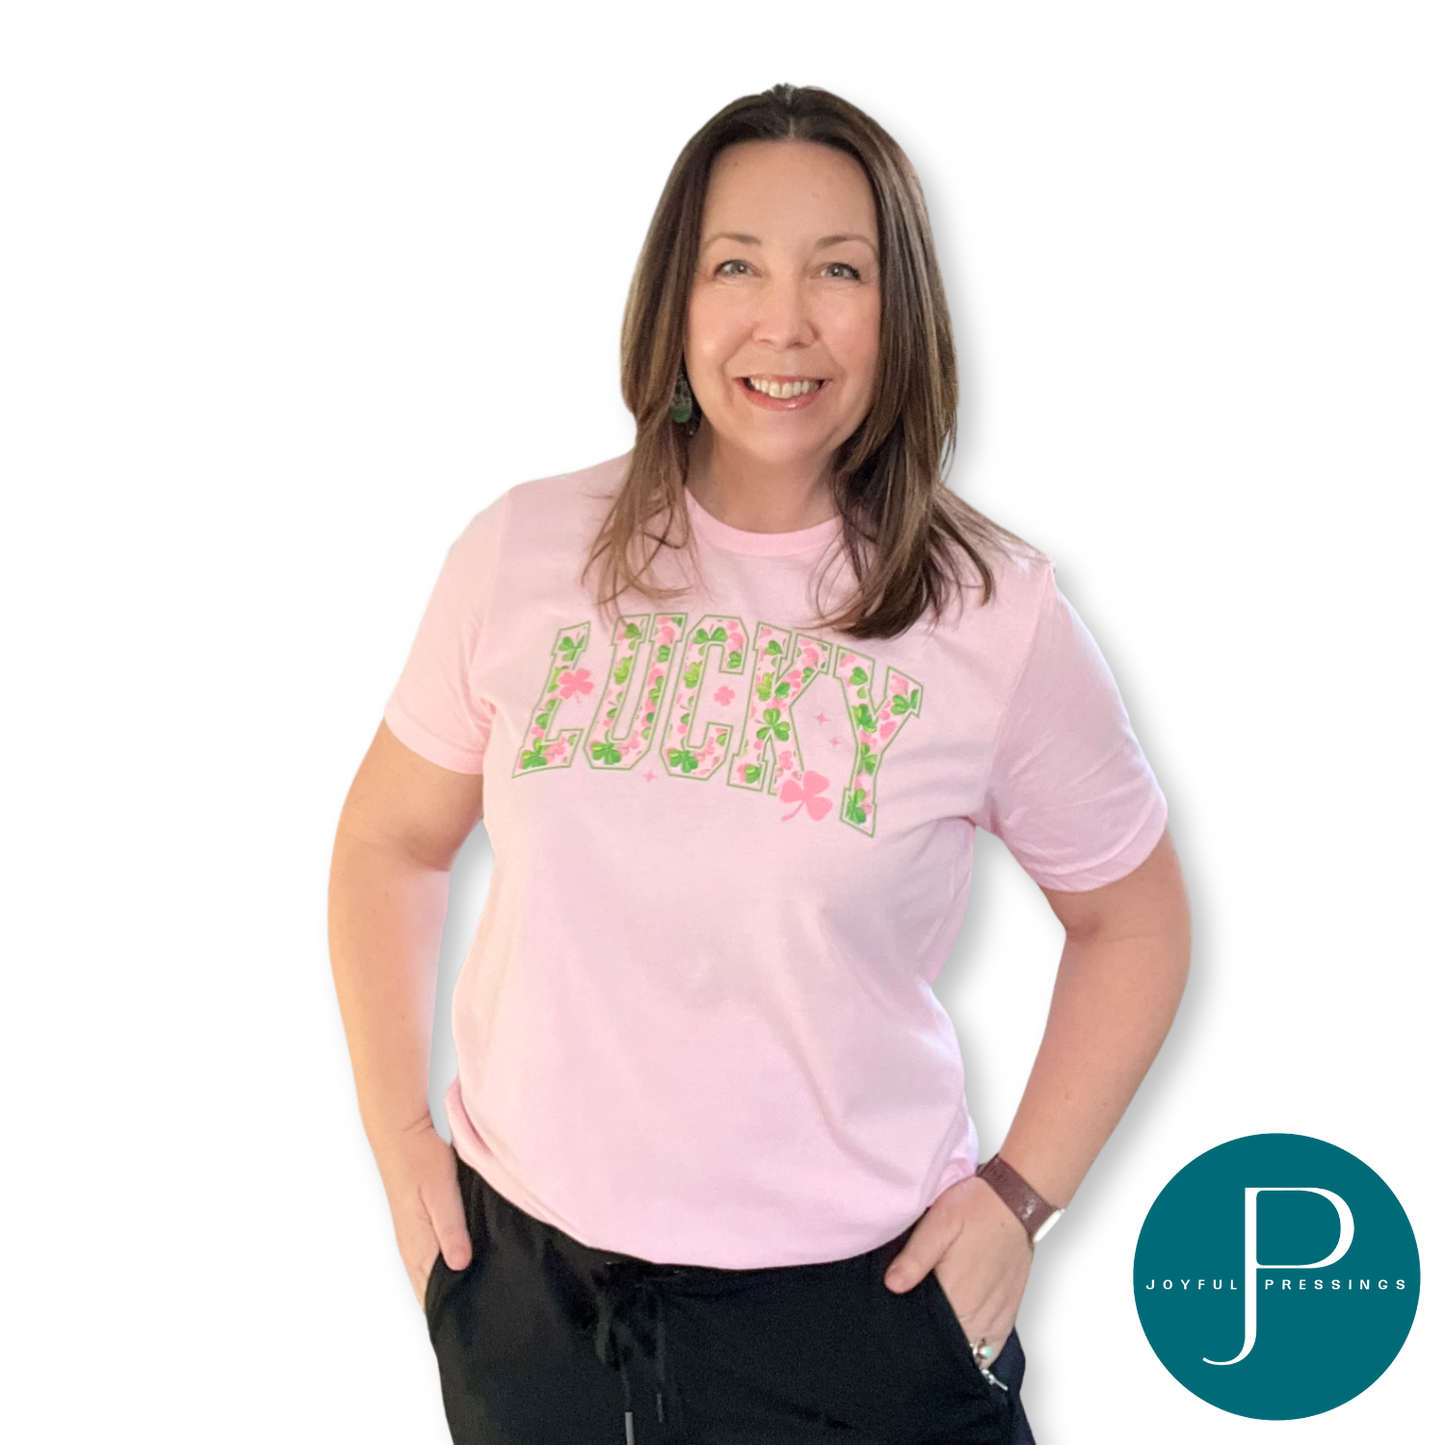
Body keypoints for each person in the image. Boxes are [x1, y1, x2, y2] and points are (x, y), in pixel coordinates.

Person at [328, 82, 1191, 1445]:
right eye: (736, 266)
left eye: (838, 272)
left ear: (896, 313)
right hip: (531, 1305)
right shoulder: (522, 553)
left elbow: (1133, 918)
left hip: (855, 1320)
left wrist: (1021, 1199)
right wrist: (398, 1144)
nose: (782, 324)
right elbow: (390, 841)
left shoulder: (995, 615)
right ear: (677, 297)